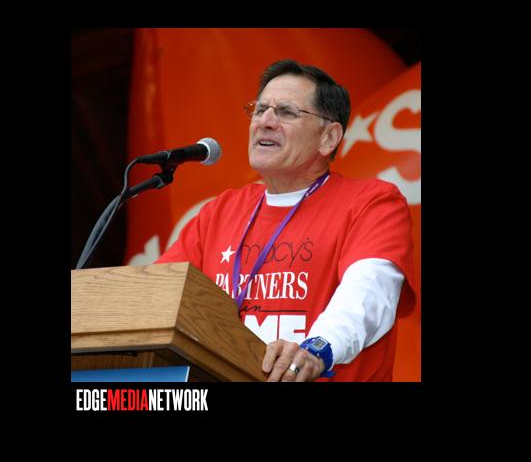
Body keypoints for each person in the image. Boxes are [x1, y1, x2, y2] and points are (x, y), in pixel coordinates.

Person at [156, 59, 416, 382]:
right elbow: (155, 295)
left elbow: (369, 294)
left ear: (329, 137)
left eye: (286, 112)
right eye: (259, 109)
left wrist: (318, 348)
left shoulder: (372, 202)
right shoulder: (217, 213)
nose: (264, 121)